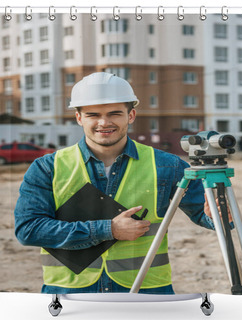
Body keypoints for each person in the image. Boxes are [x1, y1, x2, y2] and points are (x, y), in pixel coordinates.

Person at [14, 72, 216, 295]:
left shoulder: (168, 166)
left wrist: (219, 216)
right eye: (93, 115)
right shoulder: (47, 167)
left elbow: (207, 217)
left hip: (146, 292)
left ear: (131, 115)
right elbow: (28, 230)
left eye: (114, 113)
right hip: (70, 293)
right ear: (79, 117)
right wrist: (108, 230)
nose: (104, 122)